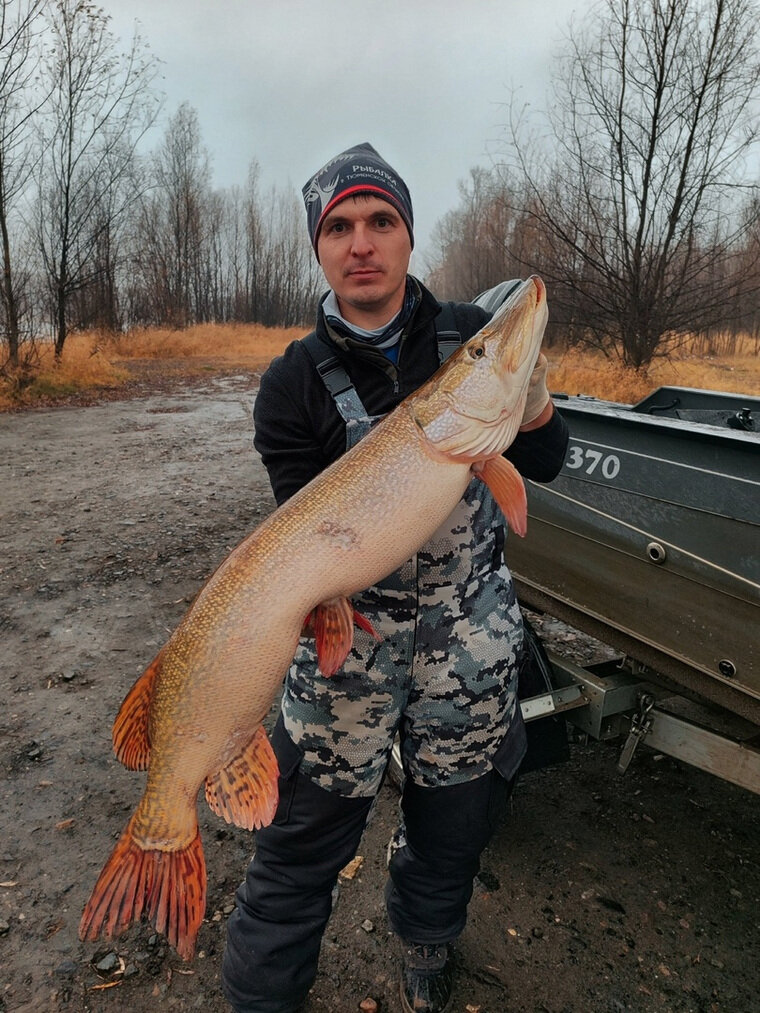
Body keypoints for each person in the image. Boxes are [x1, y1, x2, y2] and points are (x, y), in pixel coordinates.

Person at [222, 142, 569, 1013]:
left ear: (409, 236)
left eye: (382, 220)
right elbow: (308, 533)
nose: (361, 241)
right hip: (352, 653)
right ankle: (262, 997)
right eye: (339, 226)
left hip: (471, 645)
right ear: (319, 247)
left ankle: (425, 942)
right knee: (300, 841)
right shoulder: (290, 384)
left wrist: (528, 401)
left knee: (456, 828)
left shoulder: (464, 336)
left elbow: (551, 462)